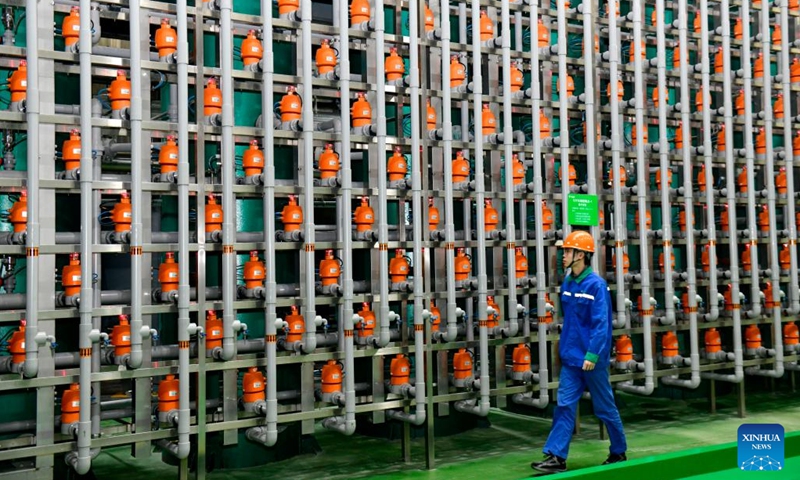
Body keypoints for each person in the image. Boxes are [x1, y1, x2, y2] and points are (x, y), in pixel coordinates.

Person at [531, 230, 627, 474]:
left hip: (592, 359)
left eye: (568, 251)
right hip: (572, 358)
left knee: (604, 407)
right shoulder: (568, 283)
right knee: (564, 405)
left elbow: (601, 324)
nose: (563, 255)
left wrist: (592, 355)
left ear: (581, 255)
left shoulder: (597, 286)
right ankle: (556, 457)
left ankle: (618, 451)